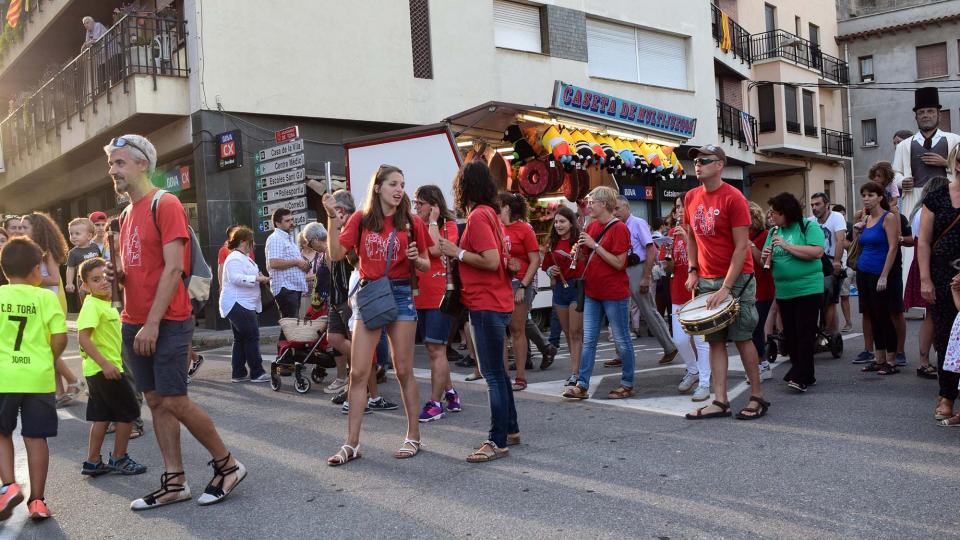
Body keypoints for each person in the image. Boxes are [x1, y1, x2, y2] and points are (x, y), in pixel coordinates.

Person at [104, 134, 245, 509]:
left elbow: (173, 269)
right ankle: (174, 481)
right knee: (155, 400)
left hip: (166, 320)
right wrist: (120, 277)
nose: (113, 171)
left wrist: (152, 323)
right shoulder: (125, 213)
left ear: (142, 164)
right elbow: (144, 268)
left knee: (175, 399)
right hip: (135, 318)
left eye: (120, 163)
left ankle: (227, 465)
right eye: (111, 164)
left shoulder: (164, 204)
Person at [322, 164, 431, 466]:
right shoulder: (360, 219)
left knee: (404, 369)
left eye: (402, 184)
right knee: (358, 373)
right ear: (378, 187)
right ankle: (351, 444)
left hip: (400, 293)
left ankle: (413, 436)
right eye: (393, 184)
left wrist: (416, 260)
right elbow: (334, 254)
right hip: (370, 294)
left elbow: (426, 263)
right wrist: (332, 217)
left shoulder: (411, 221)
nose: (399, 190)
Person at [438, 161, 518, 462]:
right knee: (499, 372)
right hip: (494, 301)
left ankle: (497, 440)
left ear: (464, 186)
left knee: (493, 374)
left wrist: (455, 251)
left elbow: (491, 260)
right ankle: (510, 430)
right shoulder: (490, 215)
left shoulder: (478, 217)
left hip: (486, 302)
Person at [681, 145, 768, 420]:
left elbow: (742, 247)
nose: (698, 164)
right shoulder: (691, 197)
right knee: (715, 340)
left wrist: (726, 288)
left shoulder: (734, 198)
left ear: (719, 165)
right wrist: (693, 269)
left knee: (742, 337)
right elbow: (692, 237)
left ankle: (757, 397)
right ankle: (720, 401)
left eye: (704, 160)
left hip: (737, 279)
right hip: (707, 279)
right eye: (695, 160)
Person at [0, 238, 68, 521]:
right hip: (39, 377)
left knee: (2, 432)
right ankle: (37, 501)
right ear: (34, 269)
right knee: (36, 437)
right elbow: (61, 337)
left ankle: (8, 485)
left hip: (4, 376)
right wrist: (48, 359)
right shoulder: (46, 298)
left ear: (4, 270)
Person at [561, 186, 635, 400]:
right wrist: (577, 254)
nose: (589, 205)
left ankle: (627, 383)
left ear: (604, 204)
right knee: (590, 339)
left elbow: (619, 263)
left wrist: (595, 246)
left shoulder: (619, 228)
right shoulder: (591, 226)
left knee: (621, 339)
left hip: (614, 292)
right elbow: (587, 259)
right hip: (593, 291)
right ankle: (582, 384)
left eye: (592, 202)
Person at [76, 258, 147, 477]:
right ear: (85, 286)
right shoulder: (92, 305)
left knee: (102, 416)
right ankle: (119, 458)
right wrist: (105, 364)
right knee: (128, 414)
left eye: (106, 277)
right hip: (105, 370)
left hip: (101, 370)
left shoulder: (107, 303)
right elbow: (83, 338)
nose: (103, 282)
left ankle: (93, 461)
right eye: (95, 280)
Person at [762, 193, 825, 392]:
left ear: (786, 213)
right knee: (790, 334)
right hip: (784, 290)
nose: (772, 217)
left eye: (775, 213)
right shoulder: (773, 232)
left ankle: (800, 375)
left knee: (804, 332)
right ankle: (806, 372)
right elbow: (766, 261)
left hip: (808, 288)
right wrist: (765, 256)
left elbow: (817, 252)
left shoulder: (808, 226)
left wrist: (788, 246)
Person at [22, 212, 85, 408]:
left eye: (25, 227)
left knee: (47, 349)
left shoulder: (46, 251)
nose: (21, 231)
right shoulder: (31, 250)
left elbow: (53, 278)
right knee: (47, 347)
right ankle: (59, 392)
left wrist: (26, 279)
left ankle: (73, 381)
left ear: (37, 229)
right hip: (40, 300)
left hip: (51, 301)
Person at [410, 185, 462, 422]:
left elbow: (433, 248)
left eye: (420, 203)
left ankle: (435, 403)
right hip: (421, 295)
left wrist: (431, 221)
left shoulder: (448, 226)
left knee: (436, 349)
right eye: (415, 203)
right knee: (434, 349)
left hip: (442, 296)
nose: (416, 207)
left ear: (433, 205)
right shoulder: (415, 225)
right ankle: (450, 393)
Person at [918, 145, 960, 421]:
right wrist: (925, 279)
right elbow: (923, 241)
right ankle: (946, 396)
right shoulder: (936, 197)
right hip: (943, 278)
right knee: (945, 338)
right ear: (957, 163)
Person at [613, 195, 678, 365]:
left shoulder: (637, 223)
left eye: (618, 208)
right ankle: (622, 353)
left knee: (648, 311)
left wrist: (646, 276)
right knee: (619, 311)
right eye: (613, 209)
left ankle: (669, 347)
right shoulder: (618, 226)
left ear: (627, 207)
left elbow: (650, 250)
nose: (615, 212)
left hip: (638, 268)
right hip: (624, 268)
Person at [853, 182, 901, 375]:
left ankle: (891, 360)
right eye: (864, 194)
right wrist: (858, 231)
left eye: (870, 194)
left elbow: (893, 247)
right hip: (863, 272)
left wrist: (884, 275)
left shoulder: (888, 218)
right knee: (872, 316)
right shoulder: (865, 218)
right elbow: (862, 244)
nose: (866, 198)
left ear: (880, 197)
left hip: (878, 273)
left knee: (883, 316)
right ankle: (879, 357)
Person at [904, 177, 949, 379]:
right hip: (932, 265)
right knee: (934, 316)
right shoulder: (930, 211)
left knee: (932, 315)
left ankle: (927, 360)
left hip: (922, 264)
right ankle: (926, 362)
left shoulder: (918, 211)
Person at [667, 199, 711, 401]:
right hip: (678, 291)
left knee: (701, 341)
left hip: (698, 293)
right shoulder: (671, 234)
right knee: (680, 339)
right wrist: (665, 262)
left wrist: (686, 238)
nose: (679, 210)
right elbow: (671, 266)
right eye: (677, 207)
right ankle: (692, 370)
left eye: (683, 206)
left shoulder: (700, 233)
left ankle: (704, 382)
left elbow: (706, 259)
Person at [498, 192, 542, 391]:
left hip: (519, 284)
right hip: (501, 284)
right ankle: (504, 377)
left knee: (517, 330)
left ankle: (521, 377)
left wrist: (524, 285)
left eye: (499, 205)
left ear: (506, 207)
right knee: (501, 331)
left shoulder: (524, 229)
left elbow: (535, 260)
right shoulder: (497, 228)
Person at [893, 87, 960, 216]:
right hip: (915, 200)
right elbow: (895, 173)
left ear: (939, 115)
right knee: (917, 234)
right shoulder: (903, 145)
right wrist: (902, 181)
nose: (925, 115)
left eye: (930, 111)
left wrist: (946, 163)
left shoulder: (956, 140)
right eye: (921, 112)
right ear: (916, 117)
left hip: (948, 196)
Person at [219, 226, 270, 384]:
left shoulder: (242, 257)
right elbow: (235, 278)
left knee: (240, 338)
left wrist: (258, 276)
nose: (252, 244)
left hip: (241, 303)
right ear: (243, 242)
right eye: (250, 241)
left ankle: (239, 373)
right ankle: (257, 372)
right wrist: (257, 279)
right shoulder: (235, 257)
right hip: (238, 303)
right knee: (251, 336)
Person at [542, 206, 585, 387]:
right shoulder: (552, 243)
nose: (558, 225)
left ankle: (577, 373)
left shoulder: (580, 241)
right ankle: (574, 370)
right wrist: (550, 270)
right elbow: (545, 266)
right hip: (560, 289)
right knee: (567, 333)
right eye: (556, 222)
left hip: (577, 288)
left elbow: (587, 263)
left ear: (571, 223)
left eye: (562, 221)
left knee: (576, 333)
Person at [323, 190, 357, 399]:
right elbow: (330, 260)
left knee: (353, 339)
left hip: (348, 294)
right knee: (334, 337)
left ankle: (359, 382)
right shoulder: (337, 228)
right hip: (336, 294)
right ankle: (363, 371)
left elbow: (342, 258)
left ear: (341, 211)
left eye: (333, 211)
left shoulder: (351, 227)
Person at [266, 208, 310, 340]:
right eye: (287, 221)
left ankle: (287, 356)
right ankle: (284, 356)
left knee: (290, 326)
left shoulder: (288, 238)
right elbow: (273, 263)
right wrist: (297, 262)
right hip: (285, 288)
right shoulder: (275, 238)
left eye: (292, 219)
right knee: (289, 325)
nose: (291, 223)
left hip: (293, 287)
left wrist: (304, 265)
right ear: (277, 223)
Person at [810, 192, 846, 336]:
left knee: (829, 302)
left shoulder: (836, 217)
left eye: (817, 204)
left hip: (831, 262)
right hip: (815, 263)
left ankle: (832, 336)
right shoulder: (810, 221)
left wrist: (837, 262)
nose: (814, 207)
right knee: (815, 302)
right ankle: (817, 335)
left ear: (826, 205)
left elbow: (840, 240)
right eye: (812, 205)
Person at [747, 202, 774, 381]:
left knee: (756, 327)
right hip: (746, 287)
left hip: (763, 287)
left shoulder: (765, 235)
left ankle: (763, 363)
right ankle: (757, 362)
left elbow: (763, 262)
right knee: (749, 328)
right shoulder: (742, 234)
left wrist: (751, 246)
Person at [65, 217, 102, 301]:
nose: (73, 236)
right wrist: (69, 283)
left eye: (77, 234)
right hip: (83, 280)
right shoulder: (73, 253)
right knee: (87, 300)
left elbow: (101, 261)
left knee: (102, 298)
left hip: (99, 277)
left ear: (89, 236)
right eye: (71, 234)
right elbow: (70, 268)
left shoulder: (95, 247)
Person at [831, 204, 854, 332]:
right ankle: (845, 324)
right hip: (841, 265)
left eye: (843, 214)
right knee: (837, 298)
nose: (842, 217)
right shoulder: (831, 227)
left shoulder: (850, 226)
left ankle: (849, 322)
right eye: (839, 214)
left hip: (851, 264)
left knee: (845, 296)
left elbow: (852, 244)